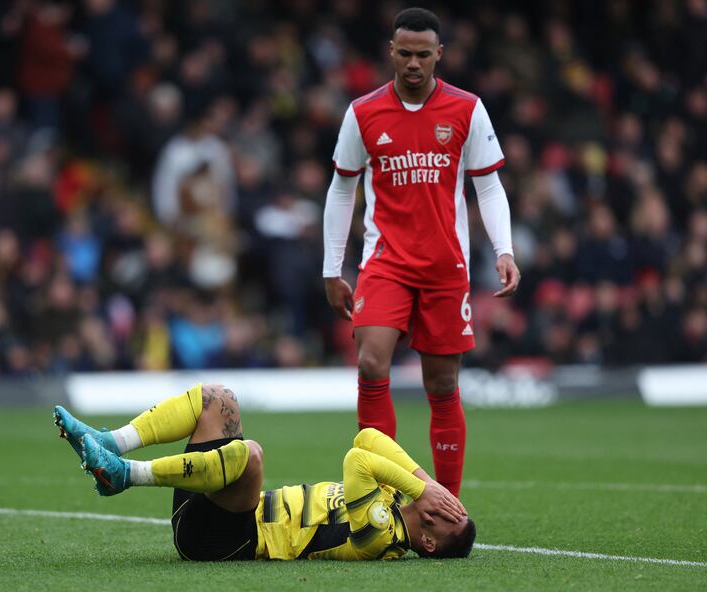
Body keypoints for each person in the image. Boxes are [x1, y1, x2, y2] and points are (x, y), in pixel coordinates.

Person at [322, 7, 520, 497]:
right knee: (371, 363)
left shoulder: (467, 109)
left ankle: (448, 504)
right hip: (385, 262)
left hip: (443, 267)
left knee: (441, 383)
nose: (413, 64)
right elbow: (341, 190)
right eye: (405, 53)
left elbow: (489, 187)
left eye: (423, 55)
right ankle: (377, 495)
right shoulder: (363, 112)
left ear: (439, 56)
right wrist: (332, 268)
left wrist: (505, 251)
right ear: (391, 52)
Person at [53, 383, 474, 561]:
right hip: (219, 505)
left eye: (450, 516)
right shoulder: (400, 498)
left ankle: (124, 474)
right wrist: (427, 481)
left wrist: (417, 484)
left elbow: (357, 461)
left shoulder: (381, 534)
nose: (445, 505)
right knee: (218, 400)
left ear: (430, 542)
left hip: (224, 540)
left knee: (250, 455)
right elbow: (367, 437)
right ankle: (114, 443)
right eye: (455, 504)